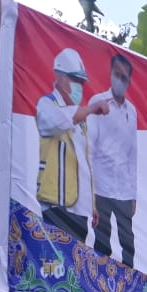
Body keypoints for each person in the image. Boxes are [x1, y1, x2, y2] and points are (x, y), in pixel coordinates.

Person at [36, 48, 109, 243]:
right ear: (59, 78)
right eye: (74, 80)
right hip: (55, 205)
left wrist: (91, 205)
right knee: (54, 265)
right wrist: (92, 108)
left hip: (78, 210)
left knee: (73, 267)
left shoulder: (81, 118)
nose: (79, 87)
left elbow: (85, 164)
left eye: (81, 82)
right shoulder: (47, 104)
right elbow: (59, 123)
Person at [88, 53, 138, 267]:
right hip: (101, 187)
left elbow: (133, 155)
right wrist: (88, 193)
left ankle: (129, 284)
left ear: (128, 81)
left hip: (124, 190)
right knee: (102, 241)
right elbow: (89, 146)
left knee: (128, 243)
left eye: (124, 77)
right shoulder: (98, 103)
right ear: (111, 74)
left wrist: (134, 194)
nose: (120, 80)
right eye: (117, 74)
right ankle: (102, 284)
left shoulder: (132, 111)